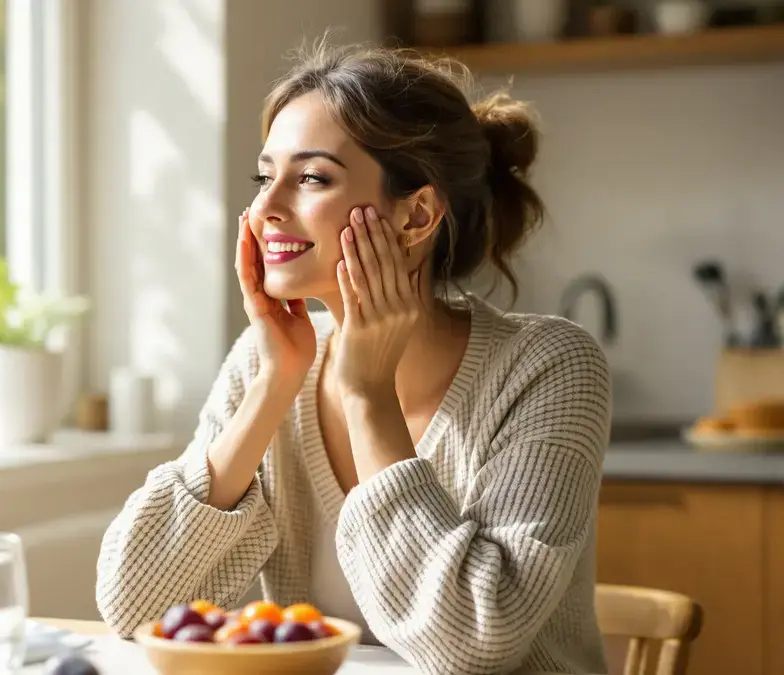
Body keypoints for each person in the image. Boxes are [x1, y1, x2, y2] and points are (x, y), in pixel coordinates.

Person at [96, 37, 610, 675]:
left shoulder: (549, 366)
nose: (265, 209)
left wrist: (367, 395)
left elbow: (473, 643)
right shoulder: (264, 363)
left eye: (311, 178)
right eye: (265, 176)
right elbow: (133, 607)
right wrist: (273, 385)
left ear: (416, 216)